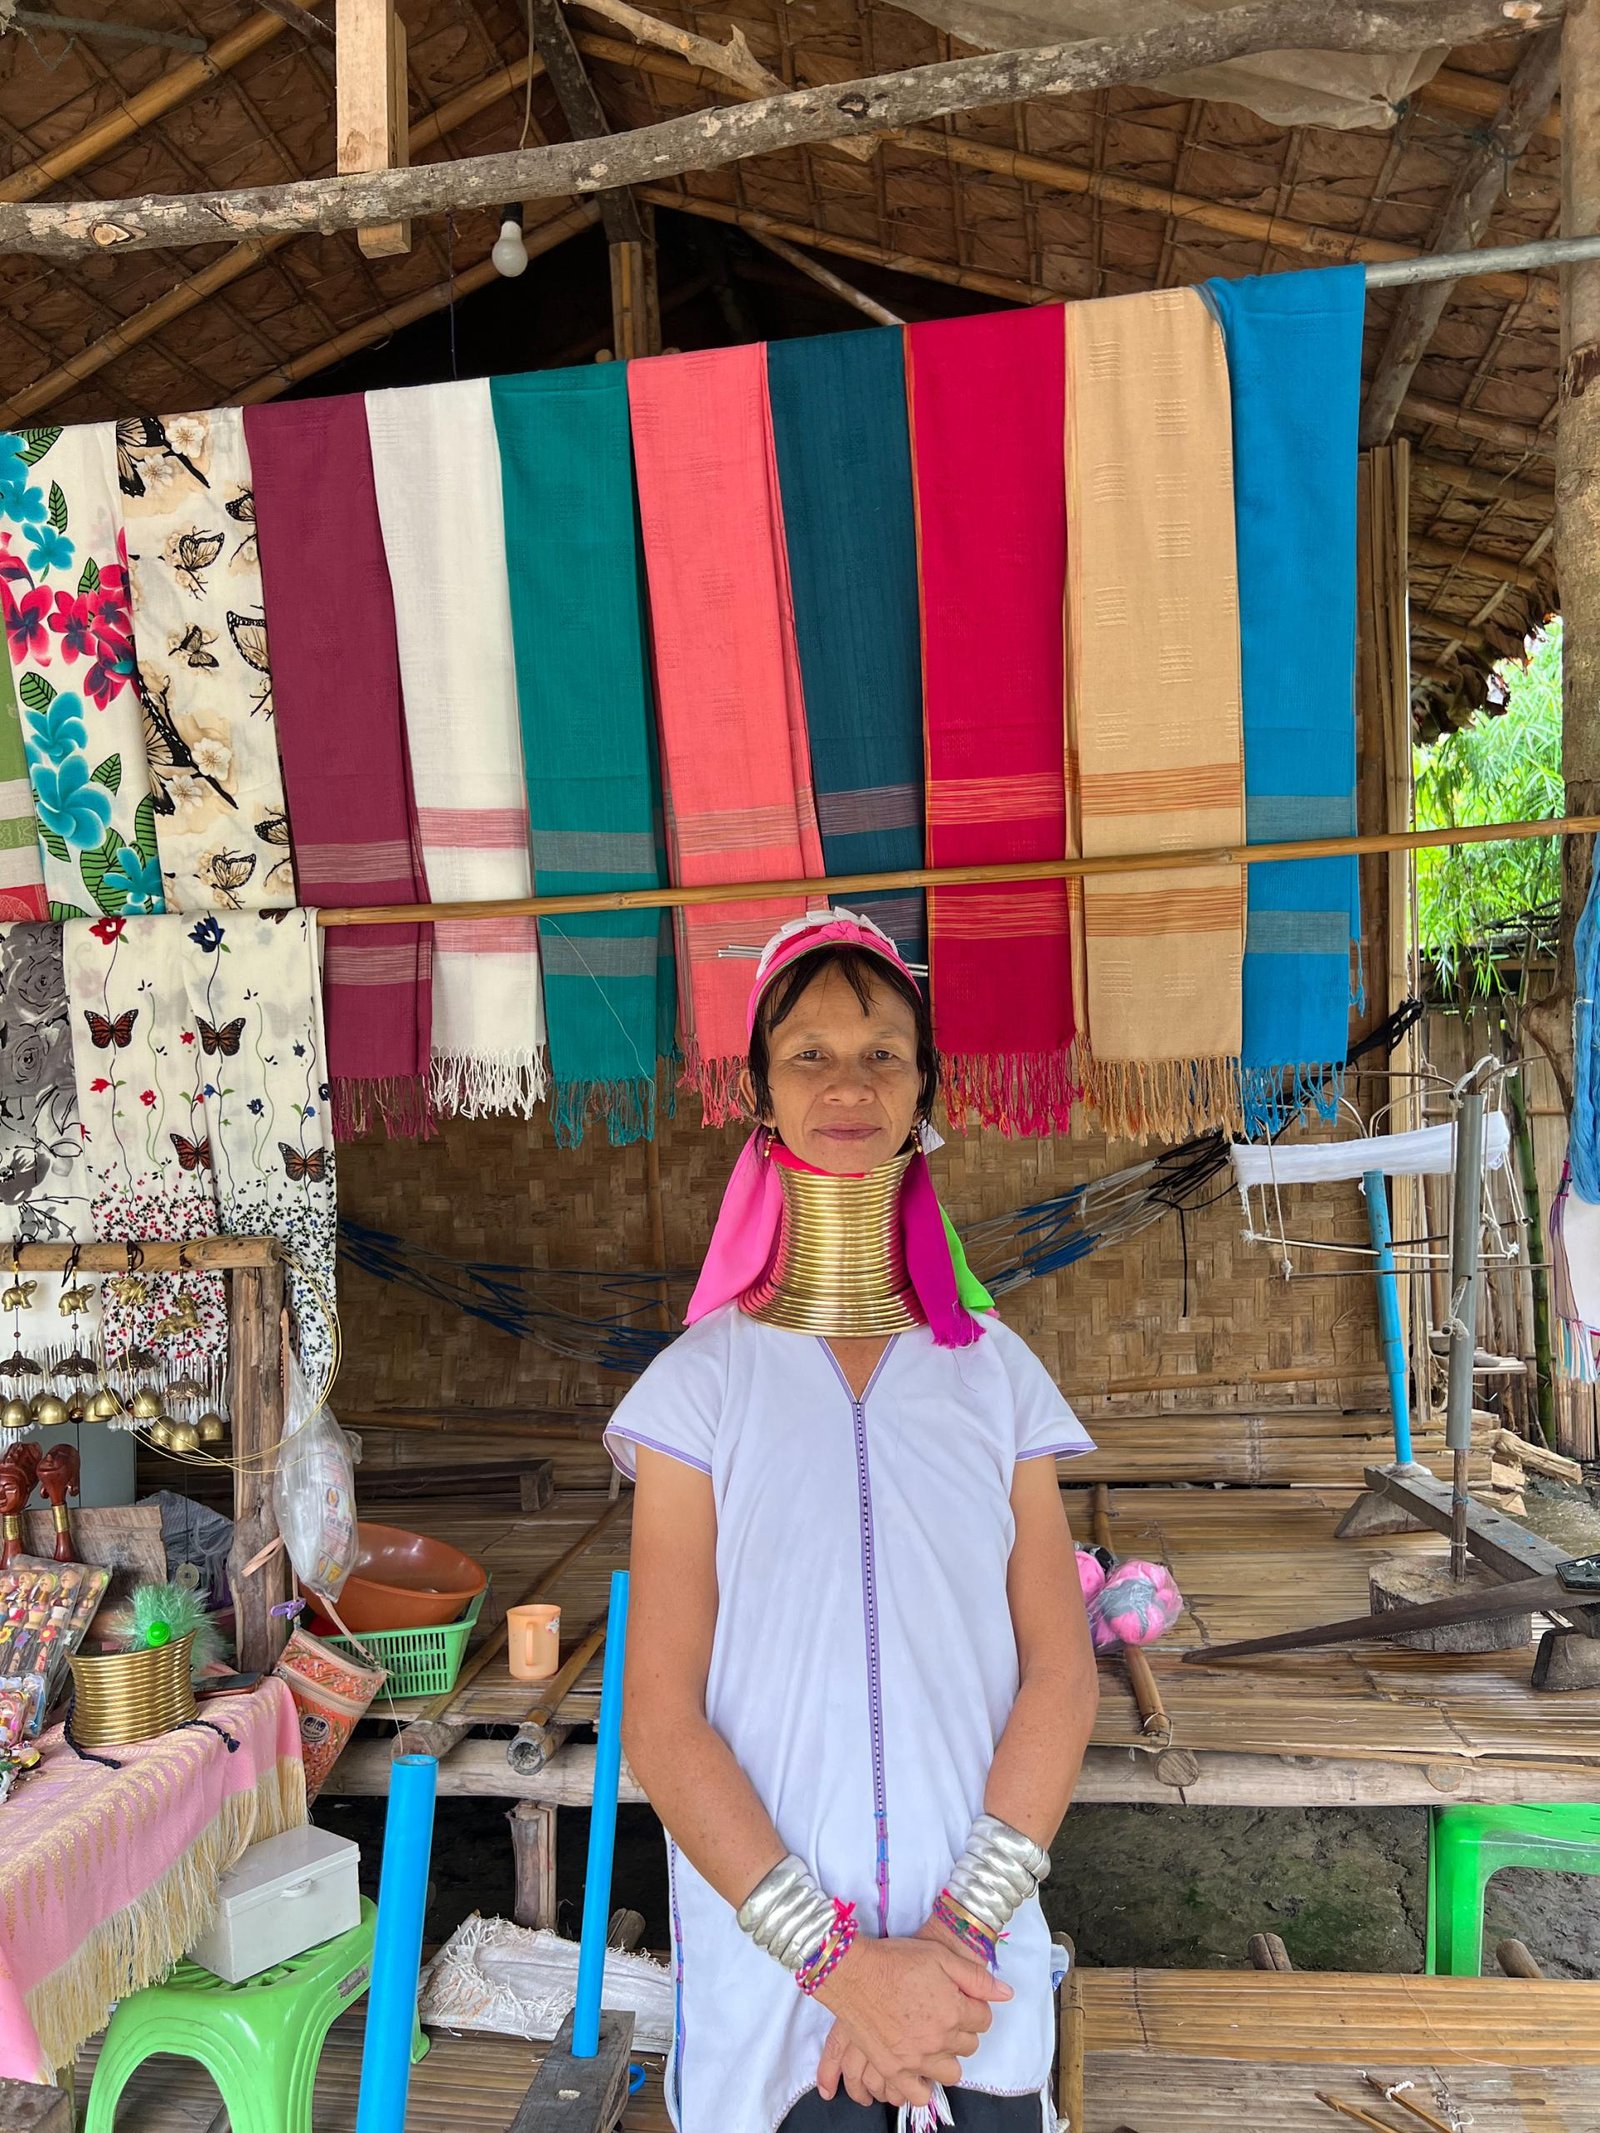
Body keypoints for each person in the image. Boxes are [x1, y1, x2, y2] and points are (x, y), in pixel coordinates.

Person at [606, 910, 1099, 2133]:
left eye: (884, 1051)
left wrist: (944, 1949)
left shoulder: (995, 1380)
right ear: (759, 1095)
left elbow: (1061, 1675)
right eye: (809, 1053)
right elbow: (660, 1722)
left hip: (970, 1985)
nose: (849, 1083)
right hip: (783, 2002)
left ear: (926, 1087)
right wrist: (846, 1976)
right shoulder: (697, 1393)